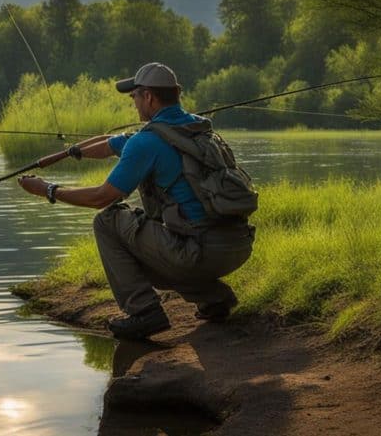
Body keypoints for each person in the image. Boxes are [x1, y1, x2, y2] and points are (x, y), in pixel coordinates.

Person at [17, 62, 255, 339]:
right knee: (153, 240)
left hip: (199, 252)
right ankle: (215, 299)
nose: (133, 104)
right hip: (237, 246)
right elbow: (111, 142)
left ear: (149, 97)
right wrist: (72, 152)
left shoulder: (146, 143)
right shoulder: (196, 129)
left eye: (134, 97)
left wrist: (47, 190)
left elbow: (101, 197)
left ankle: (144, 312)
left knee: (108, 221)